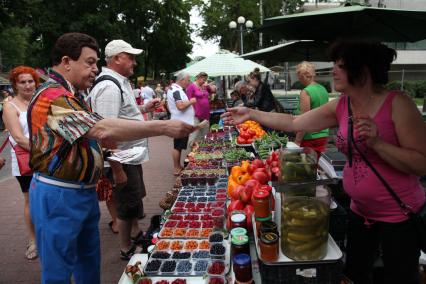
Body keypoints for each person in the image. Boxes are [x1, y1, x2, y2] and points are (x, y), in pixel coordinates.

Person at [222, 40, 426, 284]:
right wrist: (252, 113)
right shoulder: (342, 105)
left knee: (399, 278)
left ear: (363, 71)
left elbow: (421, 163)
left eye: (340, 66)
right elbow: (295, 123)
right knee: (356, 274)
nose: (333, 71)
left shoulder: (398, 104)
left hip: (398, 218)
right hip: (359, 213)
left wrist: (378, 144)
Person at [28, 32, 193, 284]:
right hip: (59, 194)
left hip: (79, 192)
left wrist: (101, 152)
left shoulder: (72, 94)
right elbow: (101, 128)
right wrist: (162, 127)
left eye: (96, 62)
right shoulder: (53, 97)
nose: (96, 69)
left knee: (88, 260)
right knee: (58, 270)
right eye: (90, 62)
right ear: (66, 61)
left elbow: (88, 134)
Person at [87, 39, 161, 260]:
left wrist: (143, 108)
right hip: (122, 159)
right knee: (126, 203)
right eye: (131, 57)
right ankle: (126, 247)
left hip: (128, 156)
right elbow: (107, 132)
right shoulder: (109, 86)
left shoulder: (117, 82)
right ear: (118, 58)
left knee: (132, 199)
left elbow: (121, 113)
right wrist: (117, 170)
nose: (135, 63)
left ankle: (135, 234)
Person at [2, 66, 40, 260]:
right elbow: (18, 137)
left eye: (30, 81)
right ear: (15, 85)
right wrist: (46, 150)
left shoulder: (38, 101)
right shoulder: (10, 106)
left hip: (44, 158)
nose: (27, 85)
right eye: (22, 82)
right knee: (30, 199)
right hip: (26, 160)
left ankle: (46, 236)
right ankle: (33, 240)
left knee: (45, 197)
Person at [294, 61, 329, 156]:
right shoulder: (323, 89)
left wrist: (297, 141)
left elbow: (305, 119)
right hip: (323, 134)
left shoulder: (306, 92)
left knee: (308, 167)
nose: (298, 79)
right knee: (318, 165)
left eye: (299, 76)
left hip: (310, 137)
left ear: (303, 76)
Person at [167, 71, 195, 176]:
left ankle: (178, 166)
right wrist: (191, 101)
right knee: (177, 146)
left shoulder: (175, 89)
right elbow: (180, 106)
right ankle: (176, 168)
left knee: (178, 145)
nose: (189, 82)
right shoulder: (176, 90)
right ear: (182, 80)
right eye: (188, 80)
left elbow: (171, 107)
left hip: (181, 121)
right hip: (180, 123)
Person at [187, 72, 216, 146]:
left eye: (206, 79)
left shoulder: (205, 86)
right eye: (203, 79)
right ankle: (192, 154)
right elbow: (188, 100)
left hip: (205, 115)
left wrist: (208, 85)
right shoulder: (191, 86)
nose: (204, 81)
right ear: (198, 78)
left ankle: (202, 152)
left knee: (204, 135)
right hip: (195, 115)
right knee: (194, 135)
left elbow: (213, 91)